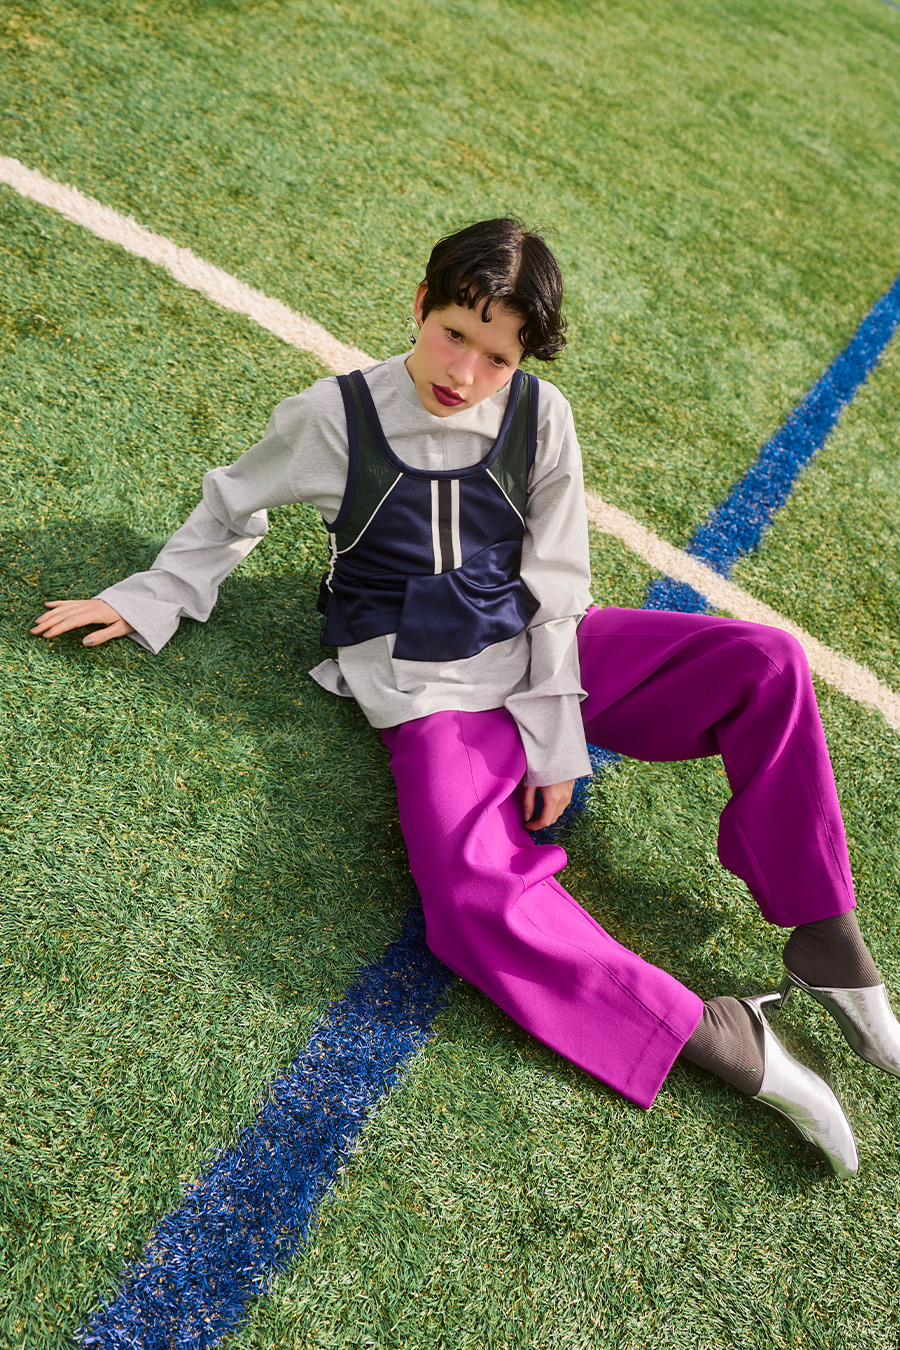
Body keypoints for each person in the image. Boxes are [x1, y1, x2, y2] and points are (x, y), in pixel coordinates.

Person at [32, 216, 900, 1177]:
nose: (465, 371)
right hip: (425, 686)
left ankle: (829, 941)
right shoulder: (332, 417)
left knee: (765, 662)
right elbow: (231, 508)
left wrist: (556, 736)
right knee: (469, 893)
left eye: (497, 356)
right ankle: (721, 1036)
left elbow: (558, 583)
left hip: (535, 647)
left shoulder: (541, 416)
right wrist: (148, 596)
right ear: (421, 305)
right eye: (454, 334)